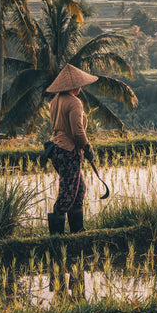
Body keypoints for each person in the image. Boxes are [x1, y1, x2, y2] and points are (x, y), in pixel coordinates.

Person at [45, 63, 98, 234]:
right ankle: (57, 236)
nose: (80, 87)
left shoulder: (56, 100)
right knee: (67, 193)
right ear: (74, 86)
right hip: (68, 151)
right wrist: (87, 148)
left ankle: (78, 230)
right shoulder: (75, 102)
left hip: (56, 149)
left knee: (79, 189)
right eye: (79, 84)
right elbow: (77, 131)